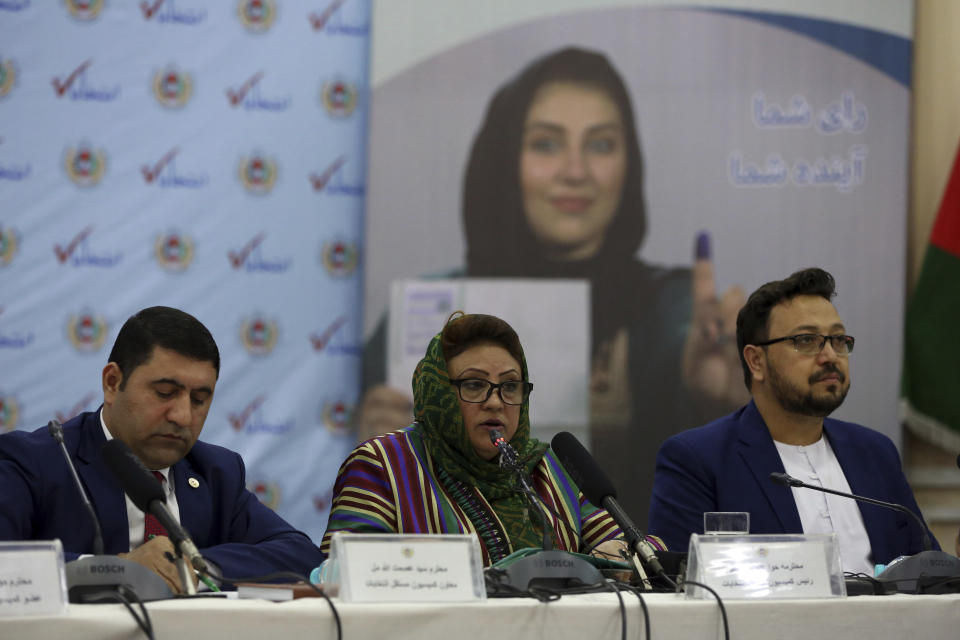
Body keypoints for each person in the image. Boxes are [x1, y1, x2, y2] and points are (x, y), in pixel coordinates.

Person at [360, 47, 747, 527]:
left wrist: (721, 407)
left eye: (601, 145)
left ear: (630, 164)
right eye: (546, 144)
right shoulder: (425, 316)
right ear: (504, 158)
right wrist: (386, 446)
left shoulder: (677, 312)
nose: (576, 171)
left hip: (638, 579)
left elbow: (702, 491)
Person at [0, 306, 323, 593]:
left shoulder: (216, 471)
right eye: (165, 393)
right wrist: (117, 569)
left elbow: (300, 554)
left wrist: (193, 566)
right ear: (113, 383)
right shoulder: (35, 461)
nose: (182, 416)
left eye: (199, 400)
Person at [647, 268, 939, 573]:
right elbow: (676, 587)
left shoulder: (876, 453)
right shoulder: (697, 460)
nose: (830, 355)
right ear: (756, 361)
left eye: (838, 339)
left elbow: (926, 572)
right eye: (806, 340)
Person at [324, 312, 665, 566]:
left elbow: (642, 551)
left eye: (510, 386)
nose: (495, 401)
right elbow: (343, 575)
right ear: (438, 392)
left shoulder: (549, 469)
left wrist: (620, 555)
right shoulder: (384, 464)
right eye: (474, 385)